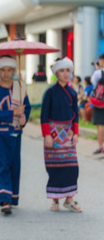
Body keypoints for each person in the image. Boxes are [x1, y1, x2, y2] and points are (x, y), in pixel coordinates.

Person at [0, 56, 31, 215]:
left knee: (14, 165)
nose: (6, 73)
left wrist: (24, 117)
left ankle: (12, 197)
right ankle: (4, 200)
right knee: (2, 165)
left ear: (13, 71)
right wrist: (13, 113)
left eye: (9, 70)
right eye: (2, 70)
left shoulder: (20, 88)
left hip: (16, 133)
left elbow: (27, 108)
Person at [41, 57, 82, 213]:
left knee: (72, 167)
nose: (65, 74)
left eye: (67, 71)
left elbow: (76, 115)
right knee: (55, 167)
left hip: (68, 134)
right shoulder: (50, 92)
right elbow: (44, 115)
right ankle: (55, 200)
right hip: (53, 134)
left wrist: (76, 133)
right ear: (56, 73)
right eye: (62, 71)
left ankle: (69, 199)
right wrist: (47, 135)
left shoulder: (72, 92)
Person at [91, 54, 104, 154]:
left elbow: (94, 83)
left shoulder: (98, 73)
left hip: (100, 102)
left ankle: (100, 147)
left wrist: (97, 69)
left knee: (100, 124)